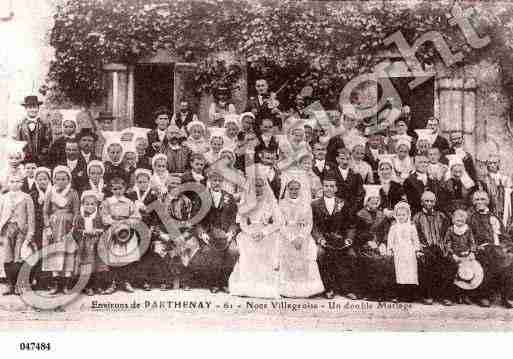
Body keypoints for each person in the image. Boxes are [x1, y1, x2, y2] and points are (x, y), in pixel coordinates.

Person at [229, 170, 284, 298]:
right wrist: (250, 232)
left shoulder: (271, 202)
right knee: (248, 249)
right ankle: (248, 285)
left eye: (260, 186)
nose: (257, 189)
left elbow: (279, 222)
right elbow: (241, 222)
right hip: (249, 234)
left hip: (266, 234)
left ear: (265, 186)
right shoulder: (246, 201)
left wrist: (264, 232)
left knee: (269, 247)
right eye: (255, 186)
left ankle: (264, 285)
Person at [191, 169, 239, 293]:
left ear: (223, 182)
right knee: (209, 251)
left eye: (219, 180)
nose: (217, 183)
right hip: (208, 234)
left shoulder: (229, 197)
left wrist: (231, 233)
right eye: (214, 180)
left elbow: (234, 220)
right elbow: (195, 221)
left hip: (225, 234)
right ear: (209, 181)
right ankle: (213, 282)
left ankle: (224, 281)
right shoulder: (201, 197)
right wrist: (202, 234)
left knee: (234, 251)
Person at [278, 178, 324, 298]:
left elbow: (309, 223)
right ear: (287, 189)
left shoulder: (305, 204)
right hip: (286, 235)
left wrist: (301, 237)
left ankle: (304, 288)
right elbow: (280, 224)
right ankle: (288, 289)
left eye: (296, 189)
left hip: (303, 235)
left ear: (300, 189)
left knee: (306, 254)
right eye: (291, 189)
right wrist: (292, 238)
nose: (294, 191)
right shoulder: (281, 204)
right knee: (286, 255)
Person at [312, 176, 356, 299]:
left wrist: (349, 239)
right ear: (322, 187)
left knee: (351, 255)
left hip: (340, 239)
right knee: (320, 254)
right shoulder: (315, 204)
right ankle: (328, 288)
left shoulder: (343, 203)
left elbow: (351, 225)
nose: (329, 189)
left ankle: (347, 289)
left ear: (336, 188)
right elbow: (313, 226)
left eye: (332, 186)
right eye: (326, 186)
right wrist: (319, 239)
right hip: (324, 240)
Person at [100, 176, 141, 294]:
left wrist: (126, 222)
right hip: (113, 230)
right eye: (115, 189)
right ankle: (112, 282)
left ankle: (125, 281)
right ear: (111, 190)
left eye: (120, 188)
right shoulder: (107, 202)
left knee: (126, 257)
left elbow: (136, 216)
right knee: (113, 257)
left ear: (125, 189)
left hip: (125, 231)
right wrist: (114, 222)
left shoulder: (129, 202)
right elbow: (104, 216)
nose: (118, 191)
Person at [42, 166, 80, 295]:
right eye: (58, 179)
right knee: (55, 254)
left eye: (64, 179)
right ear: (54, 180)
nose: (61, 181)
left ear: (68, 179)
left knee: (68, 253)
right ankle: (56, 284)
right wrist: (47, 227)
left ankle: (66, 285)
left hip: (68, 227)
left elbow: (76, 211)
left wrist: (74, 227)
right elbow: (45, 212)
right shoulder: (50, 193)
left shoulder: (73, 193)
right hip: (54, 227)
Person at [413, 191, 452, 305]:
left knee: (448, 263)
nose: (429, 203)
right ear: (421, 202)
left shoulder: (441, 216)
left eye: (431, 201)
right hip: (425, 248)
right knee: (428, 263)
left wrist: (446, 248)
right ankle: (427, 294)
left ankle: (445, 295)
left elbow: (447, 234)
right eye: (426, 201)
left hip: (440, 247)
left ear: (435, 202)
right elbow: (415, 236)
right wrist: (420, 247)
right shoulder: (417, 217)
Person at [0, 174, 35, 295]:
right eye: (12, 181)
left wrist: (30, 232)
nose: (14, 184)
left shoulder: (26, 197)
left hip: (21, 230)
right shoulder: (4, 197)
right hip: (7, 229)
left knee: (19, 257)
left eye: (17, 181)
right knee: (7, 257)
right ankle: (10, 284)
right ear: (8, 183)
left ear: (21, 183)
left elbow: (31, 217)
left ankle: (19, 285)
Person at [125, 168, 160, 290]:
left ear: (149, 182)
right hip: (133, 227)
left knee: (145, 253)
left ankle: (145, 280)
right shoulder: (131, 194)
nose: (142, 184)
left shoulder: (153, 195)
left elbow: (156, 214)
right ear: (136, 182)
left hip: (147, 227)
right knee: (133, 252)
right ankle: (132, 279)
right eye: (139, 182)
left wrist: (152, 227)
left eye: (145, 182)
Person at [71, 190, 107, 296]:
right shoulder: (79, 217)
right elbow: (75, 231)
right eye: (87, 204)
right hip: (84, 245)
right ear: (82, 204)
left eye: (92, 204)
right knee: (86, 265)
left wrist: (98, 231)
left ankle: (97, 285)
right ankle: (87, 286)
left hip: (96, 244)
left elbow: (103, 229)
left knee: (97, 266)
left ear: (96, 205)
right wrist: (83, 232)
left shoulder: (99, 217)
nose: (89, 206)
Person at [387, 201, 421, 302]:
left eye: (403, 215)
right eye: (399, 215)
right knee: (400, 273)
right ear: (396, 215)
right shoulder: (394, 227)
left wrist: (417, 250)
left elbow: (415, 240)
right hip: (399, 252)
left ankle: (409, 295)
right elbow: (390, 239)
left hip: (409, 252)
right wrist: (390, 249)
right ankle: (400, 295)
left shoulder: (411, 227)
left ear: (408, 215)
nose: (401, 217)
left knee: (410, 273)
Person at [444, 209, 477, 305]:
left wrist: (472, 252)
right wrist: (452, 254)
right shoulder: (450, 229)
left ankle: (465, 296)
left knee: (467, 274)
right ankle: (451, 296)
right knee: (453, 273)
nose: (459, 223)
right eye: (457, 220)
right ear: (453, 220)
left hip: (466, 254)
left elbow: (472, 242)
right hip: (454, 255)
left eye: (462, 221)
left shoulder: (468, 229)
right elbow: (447, 242)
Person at [324, 147, 365, 216]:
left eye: (347, 159)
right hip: (334, 210)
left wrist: (353, 208)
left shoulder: (356, 175)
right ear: (337, 159)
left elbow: (360, 194)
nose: (345, 162)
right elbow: (328, 192)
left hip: (352, 211)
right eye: (342, 159)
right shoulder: (330, 174)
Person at [15, 95, 52, 166]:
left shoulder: (45, 124)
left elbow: (48, 141)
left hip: (41, 160)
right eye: (30, 107)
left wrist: (42, 155)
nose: (32, 110)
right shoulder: (20, 124)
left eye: (34, 107)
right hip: (25, 160)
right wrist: (24, 155)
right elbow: (18, 142)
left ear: (38, 108)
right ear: (26, 109)